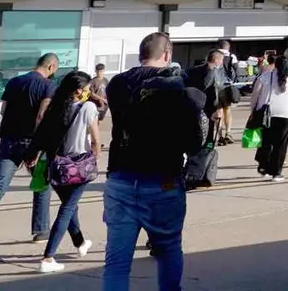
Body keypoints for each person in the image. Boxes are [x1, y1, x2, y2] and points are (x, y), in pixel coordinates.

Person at [103, 31, 205, 291]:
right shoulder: (177, 83)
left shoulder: (116, 83)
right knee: (169, 249)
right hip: (163, 179)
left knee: (116, 261)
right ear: (168, 55)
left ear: (141, 54)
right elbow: (193, 135)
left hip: (121, 178)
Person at [0, 53, 58, 249]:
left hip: (9, 140)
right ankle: (40, 230)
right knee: (42, 185)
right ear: (51, 67)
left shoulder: (14, 82)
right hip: (32, 142)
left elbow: (3, 110)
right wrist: (37, 148)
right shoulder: (48, 86)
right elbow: (41, 116)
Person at [29, 70, 100, 273]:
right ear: (78, 90)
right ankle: (48, 257)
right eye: (87, 88)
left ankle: (80, 242)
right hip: (78, 166)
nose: (89, 91)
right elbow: (95, 139)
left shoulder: (56, 107)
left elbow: (41, 134)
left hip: (57, 165)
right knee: (67, 209)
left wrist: (32, 154)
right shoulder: (88, 107)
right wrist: (95, 157)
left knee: (70, 206)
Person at [250, 55, 288, 182]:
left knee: (265, 141)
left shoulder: (266, 76)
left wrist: (253, 110)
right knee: (281, 144)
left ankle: (263, 166)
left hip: (268, 113)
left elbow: (255, 94)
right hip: (286, 114)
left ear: (275, 65)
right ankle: (276, 172)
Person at [217, 39, 238, 145]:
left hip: (215, 86)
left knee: (218, 110)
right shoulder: (232, 57)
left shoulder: (214, 54)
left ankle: (218, 134)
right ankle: (228, 133)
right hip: (226, 86)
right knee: (227, 110)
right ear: (228, 47)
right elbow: (235, 71)